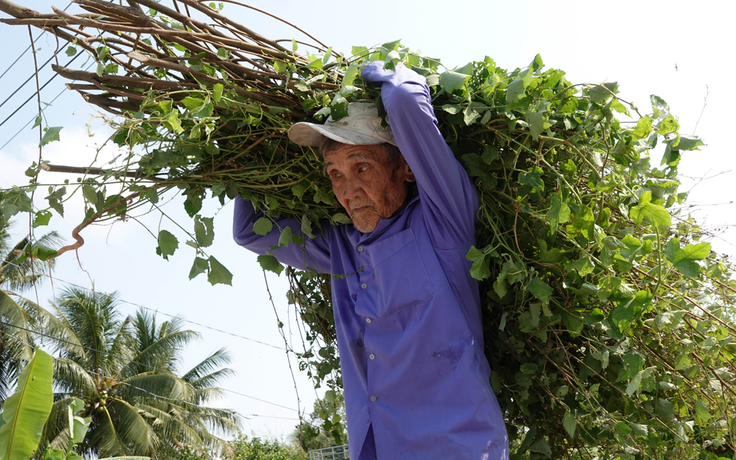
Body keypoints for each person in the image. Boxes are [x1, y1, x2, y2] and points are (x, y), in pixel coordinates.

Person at [233, 61, 509, 460]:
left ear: (406, 169)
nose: (348, 189)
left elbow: (404, 100)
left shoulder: (443, 223)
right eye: (335, 174)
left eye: (361, 166)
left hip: (459, 447)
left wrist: (380, 69)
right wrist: (251, 141)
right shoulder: (340, 248)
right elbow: (248, 230)